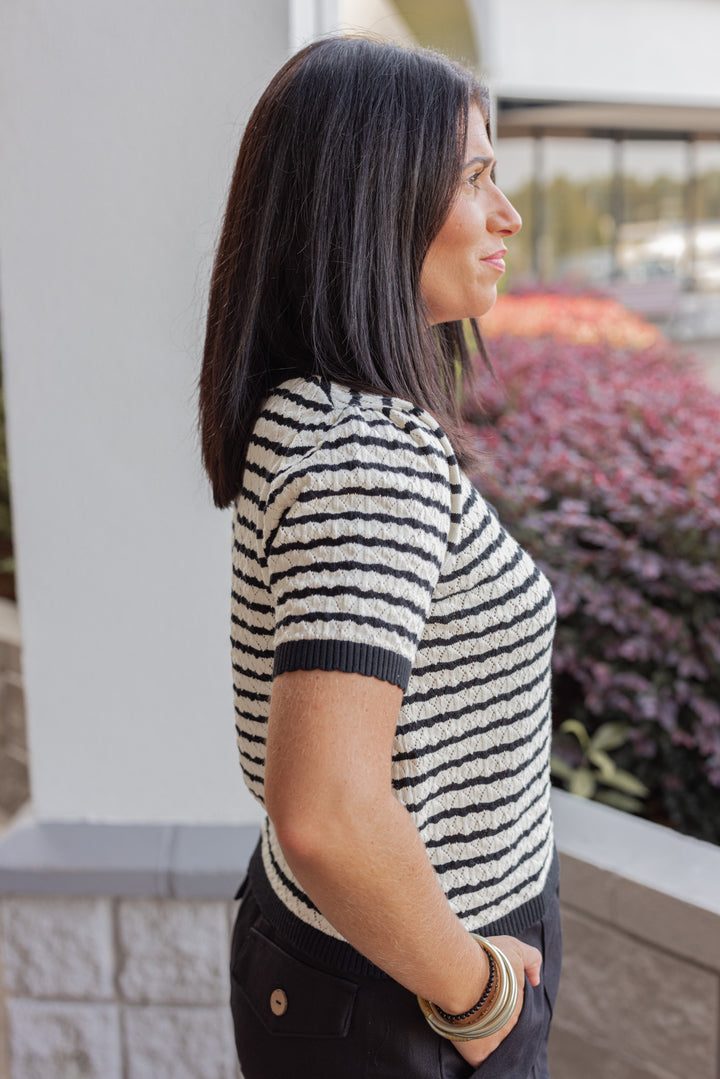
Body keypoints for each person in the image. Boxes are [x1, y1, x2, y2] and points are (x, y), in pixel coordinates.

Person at [199, 35, 560, 1079]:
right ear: (372, 198)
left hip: (367, 963)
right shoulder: (365, 452)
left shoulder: (321, 405)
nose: (508, 216)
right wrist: (480, 994)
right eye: (477, 177)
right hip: (412, 988)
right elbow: (326, 811)